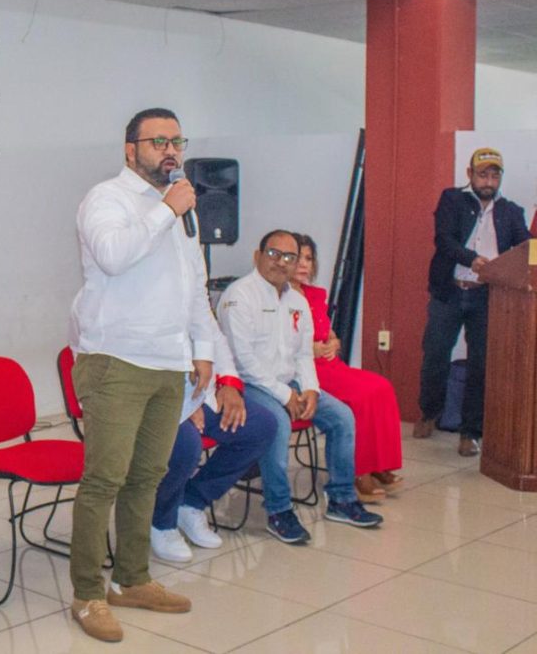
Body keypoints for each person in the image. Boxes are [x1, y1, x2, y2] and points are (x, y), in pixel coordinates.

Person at [68, 107, 217, 643]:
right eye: (158, 141)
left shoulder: (181, 209)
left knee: (146, 476)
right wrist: (166, 209)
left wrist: (204, 348)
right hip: (116, 359)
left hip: (168, 361)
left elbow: (194, 284)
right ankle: (87, 593)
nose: (170, 150)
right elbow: (113, 256)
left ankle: (131, 579)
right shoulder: (107, 199)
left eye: (176, 140)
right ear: (130, 150)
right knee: (104, 479)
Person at [216, 230, 383, 545]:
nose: (281, 262)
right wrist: (285, 395)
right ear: (257, 256)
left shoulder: (297, 301)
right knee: (278, 422)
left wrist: (310, 390)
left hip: (288, 381)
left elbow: (304, 354)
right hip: (247, 385)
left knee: (342, 416)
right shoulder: (239, 296)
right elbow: (243, 361)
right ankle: (279, 511)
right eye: (273, 254)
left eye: (289, 257)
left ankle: (342, 499)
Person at [414, 148, 530, 457]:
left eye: (494, 176)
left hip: (486, 297)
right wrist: (472, 259)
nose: (488, 182)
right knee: (435, 354)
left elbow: (524, 247)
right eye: (483, 175)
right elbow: (444, 240)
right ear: (470, 174)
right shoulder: (452, 199)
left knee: (481, 364)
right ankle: (429, 412)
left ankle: (471, 432)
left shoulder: (511, 211)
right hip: (449, 291)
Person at [290, 233, 403, 502]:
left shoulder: (315, 295)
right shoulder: (279, 297)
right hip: (305, 370)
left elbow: (327, 331)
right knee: (360, 397)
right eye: (298, 258)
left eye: (309, 258)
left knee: (381, 387)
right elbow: (280, 345)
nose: (304, 264)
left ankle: (377, 464)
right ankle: (358, 472)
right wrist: (311, 349)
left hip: (330, 365)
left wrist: (334, 342)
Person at [150, 325, 276, 562]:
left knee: (261, 426)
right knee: (187, 445)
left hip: (201, 395)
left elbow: (214, 338)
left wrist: (229, 384)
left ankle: (191, 501)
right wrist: (184, 403)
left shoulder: (198, 301)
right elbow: (154, 351)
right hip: (159, 398)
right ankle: (161, 519)